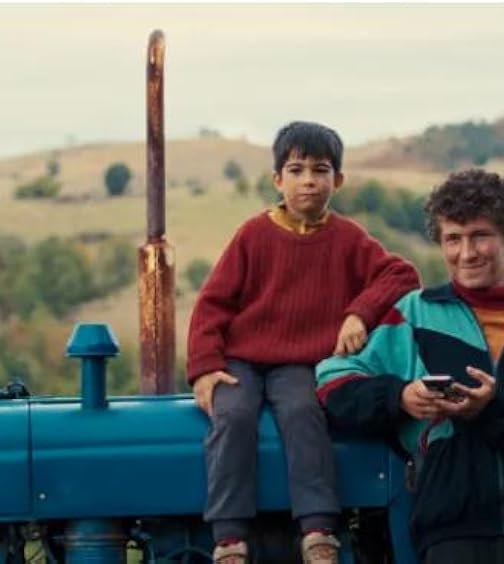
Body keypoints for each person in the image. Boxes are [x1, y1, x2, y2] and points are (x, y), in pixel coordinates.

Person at [315, 169, 504, 563]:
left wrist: (495, 406)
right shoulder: (412, 317)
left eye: (480, 236)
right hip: (453, 534)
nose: (466, 253)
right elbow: (333, 380)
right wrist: (401, 397)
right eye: (453, 238)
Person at [187, 120, 421, 564]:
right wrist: (203, 367)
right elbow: (213, 304)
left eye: (320, 170)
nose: (308, 181)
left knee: (303, 412)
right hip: (243, 358)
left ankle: (317, 530)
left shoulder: (349, 238)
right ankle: (229, 536)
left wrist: (359, 312)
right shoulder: (254, 235)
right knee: (232, 414)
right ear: (277, 179)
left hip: (301, 363)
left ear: (339, 180)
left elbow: (402, 274)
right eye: (296, 170)